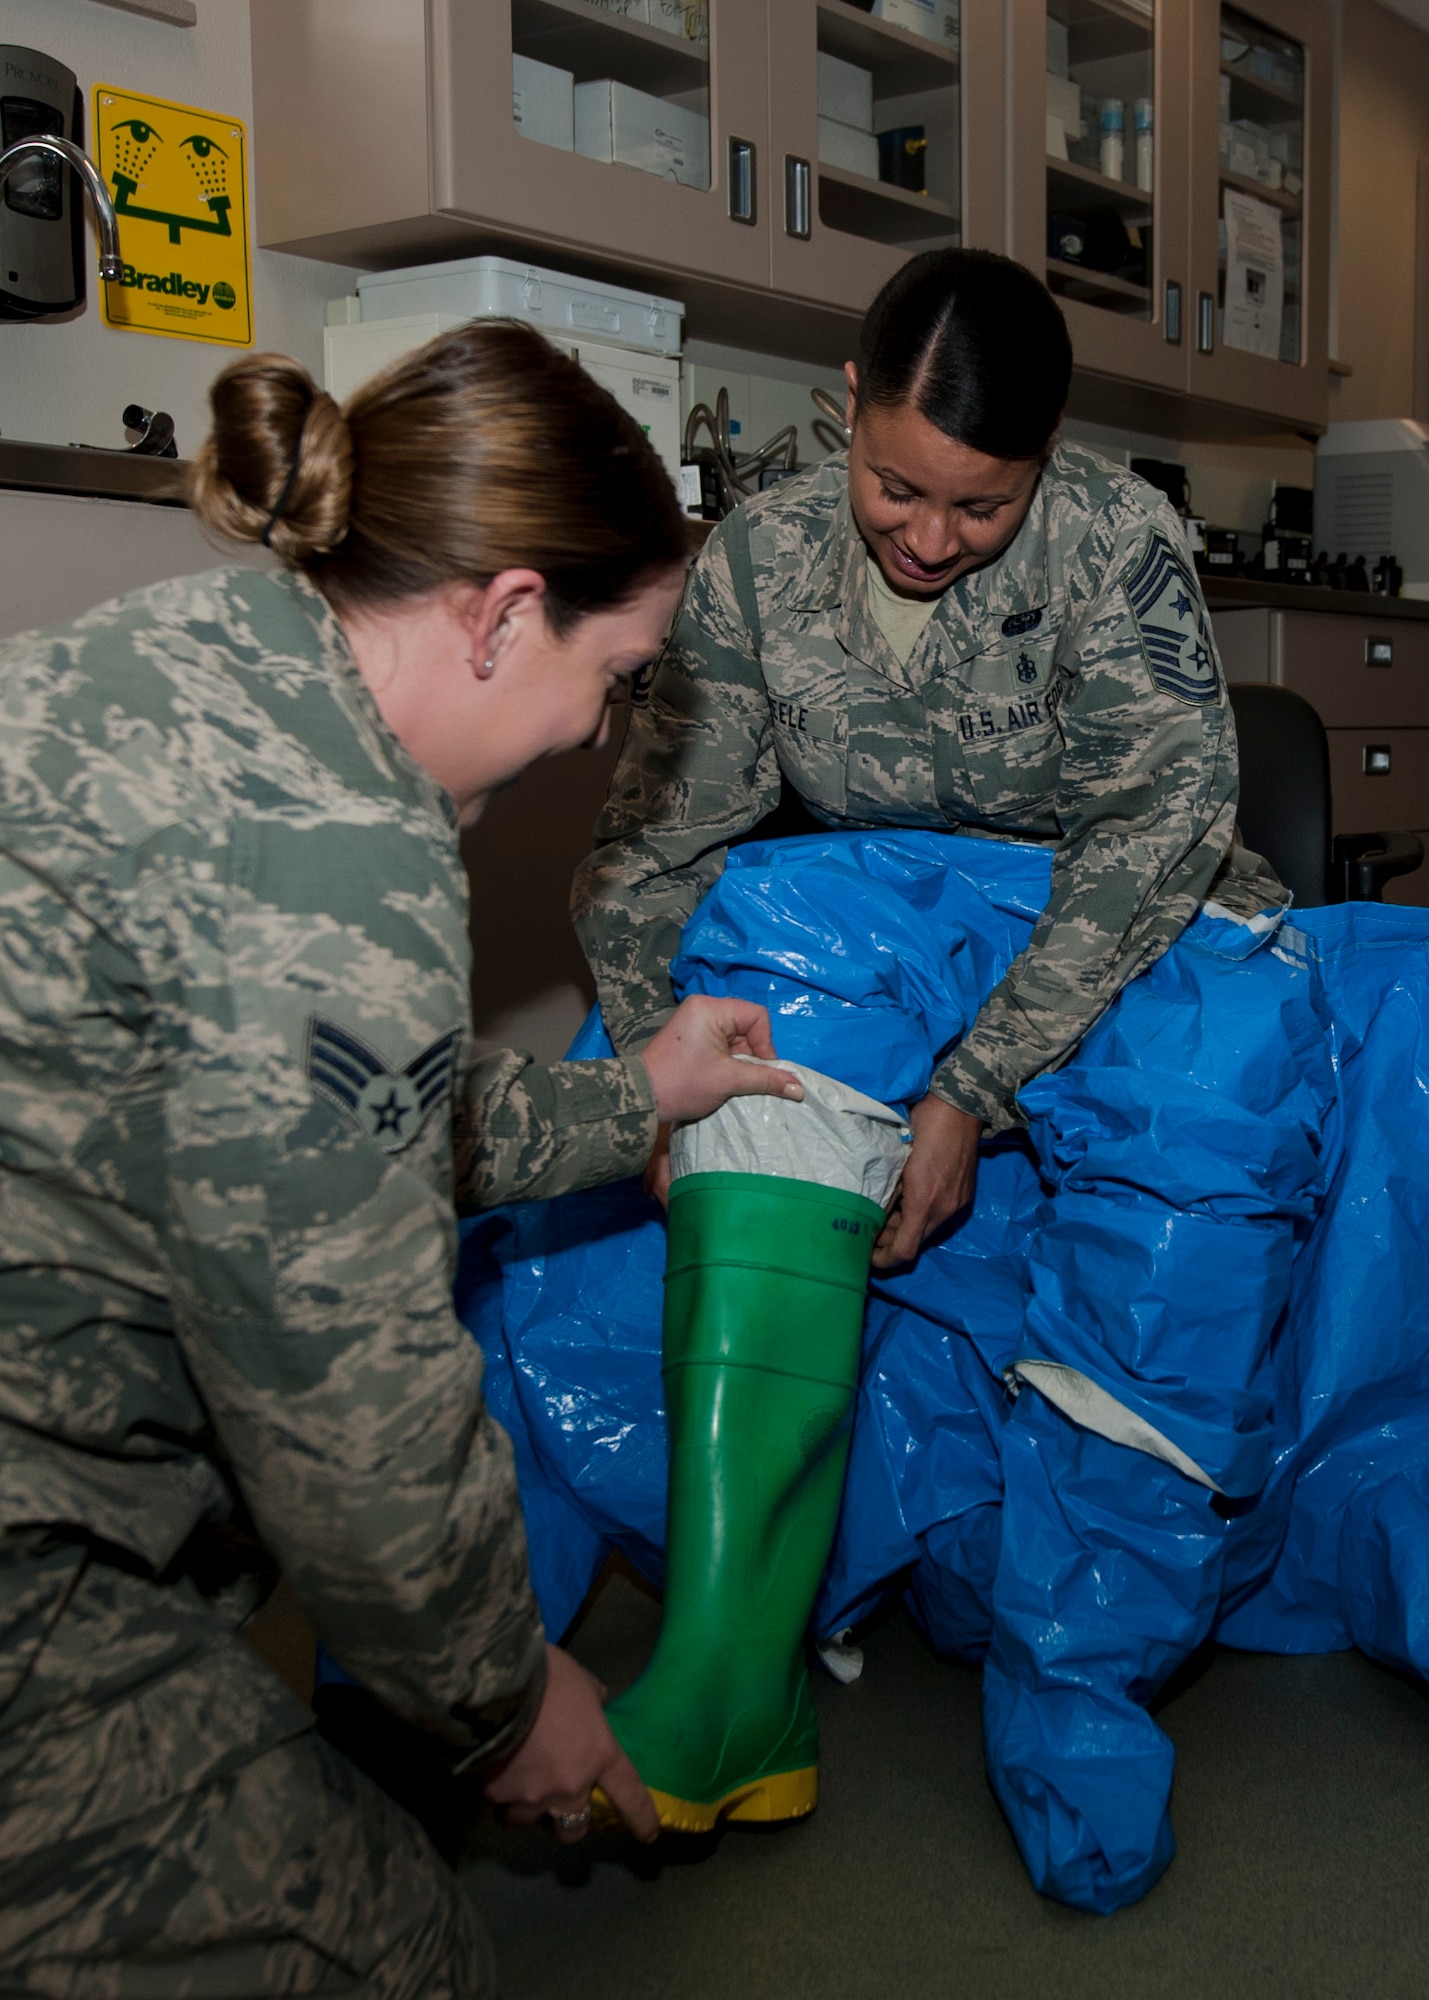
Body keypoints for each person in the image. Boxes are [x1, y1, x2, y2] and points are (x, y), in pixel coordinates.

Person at [0, 321, 805, 1996]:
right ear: (508, 613)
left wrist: (640, 1092)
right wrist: (507, 1695)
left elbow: (334, 1117)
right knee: (398, 1955)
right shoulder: (336, 858)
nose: (598, 742)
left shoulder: (201, 644)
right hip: (33, 1549)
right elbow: (351, 1410)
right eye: (611, 684)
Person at [571, 250, 1325, 1908]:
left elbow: (1150, 839)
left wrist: (972, 1089)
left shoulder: (1116, 542)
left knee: (1193, 1121)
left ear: (1046, 462)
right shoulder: (758, 556)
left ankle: (1078, 1668)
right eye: (893, 486)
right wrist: (650, 1082)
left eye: (976, 509)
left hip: (1119, 927)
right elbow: (648, 852)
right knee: (739, 1020)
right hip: (898, 922)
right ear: (843, 409)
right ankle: (726, 1652)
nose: (924, 538)